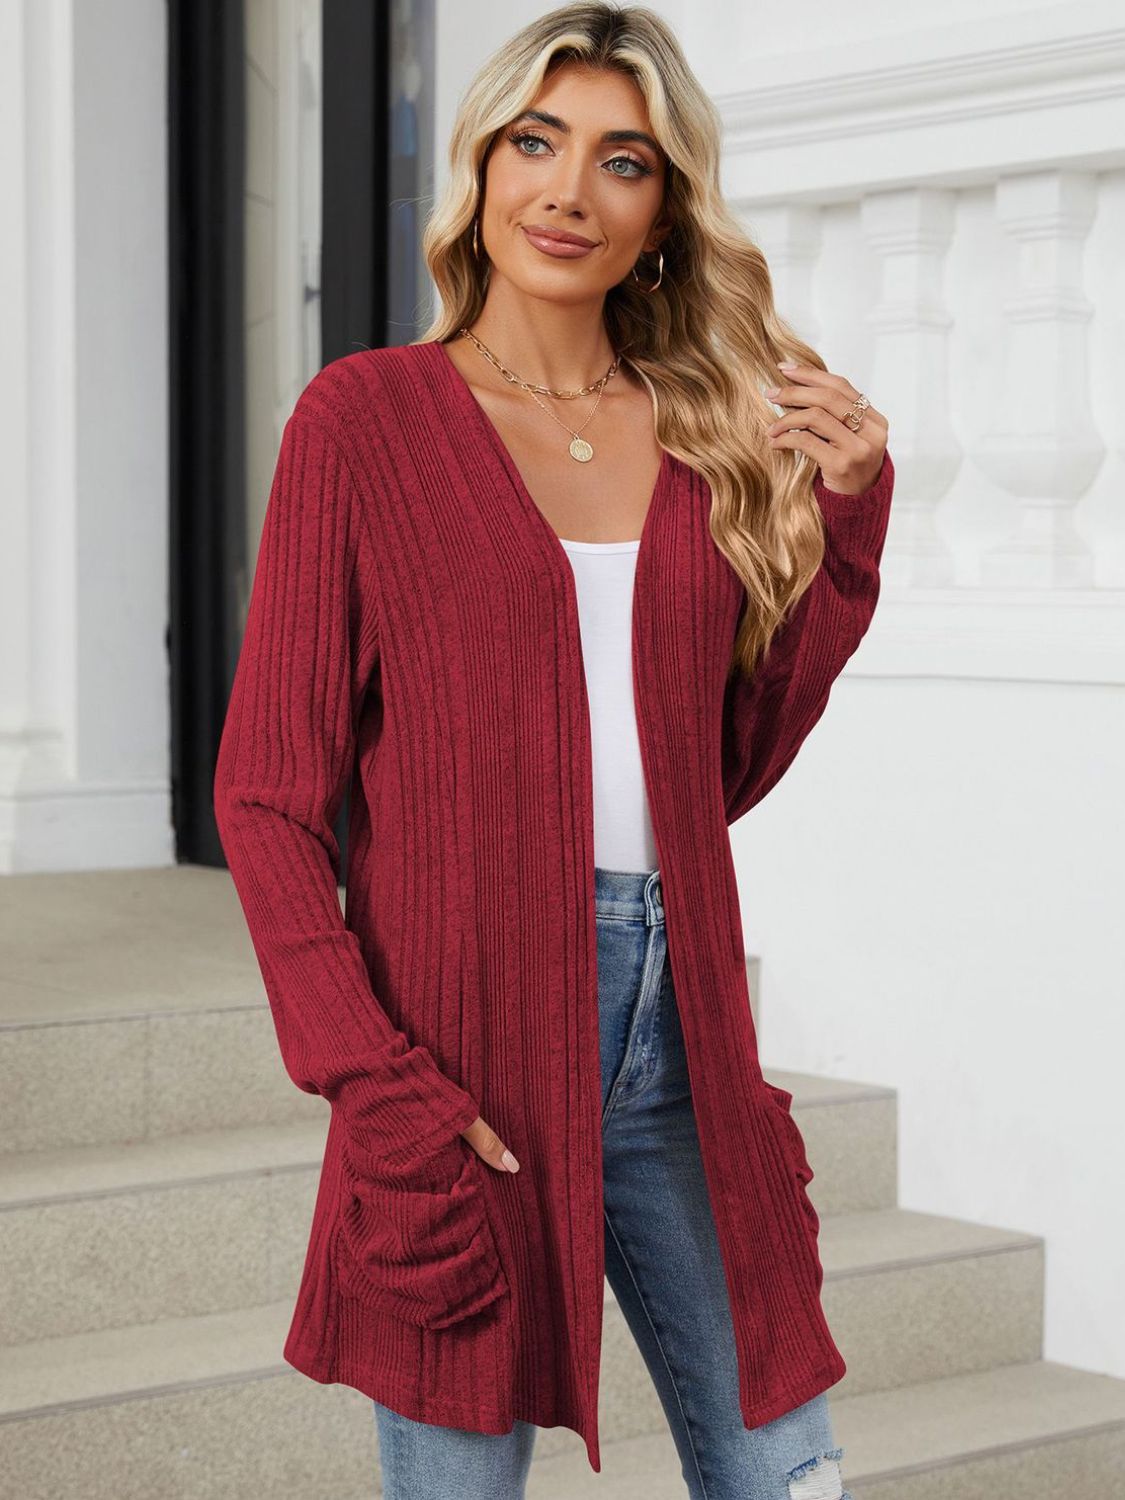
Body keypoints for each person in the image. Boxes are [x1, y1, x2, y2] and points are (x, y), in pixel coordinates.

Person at [213, 5, 892, 1497]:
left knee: (788, 1474)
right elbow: (265, 797)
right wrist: (369, 1074)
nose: (569, 191)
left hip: (681, 1026)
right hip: (461, 1034)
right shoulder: (365, 420)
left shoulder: (700, 433)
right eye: (537, 141)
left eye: (622, 160)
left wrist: (844, 527)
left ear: (665, 212)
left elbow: (718, 771)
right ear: (483, 165)